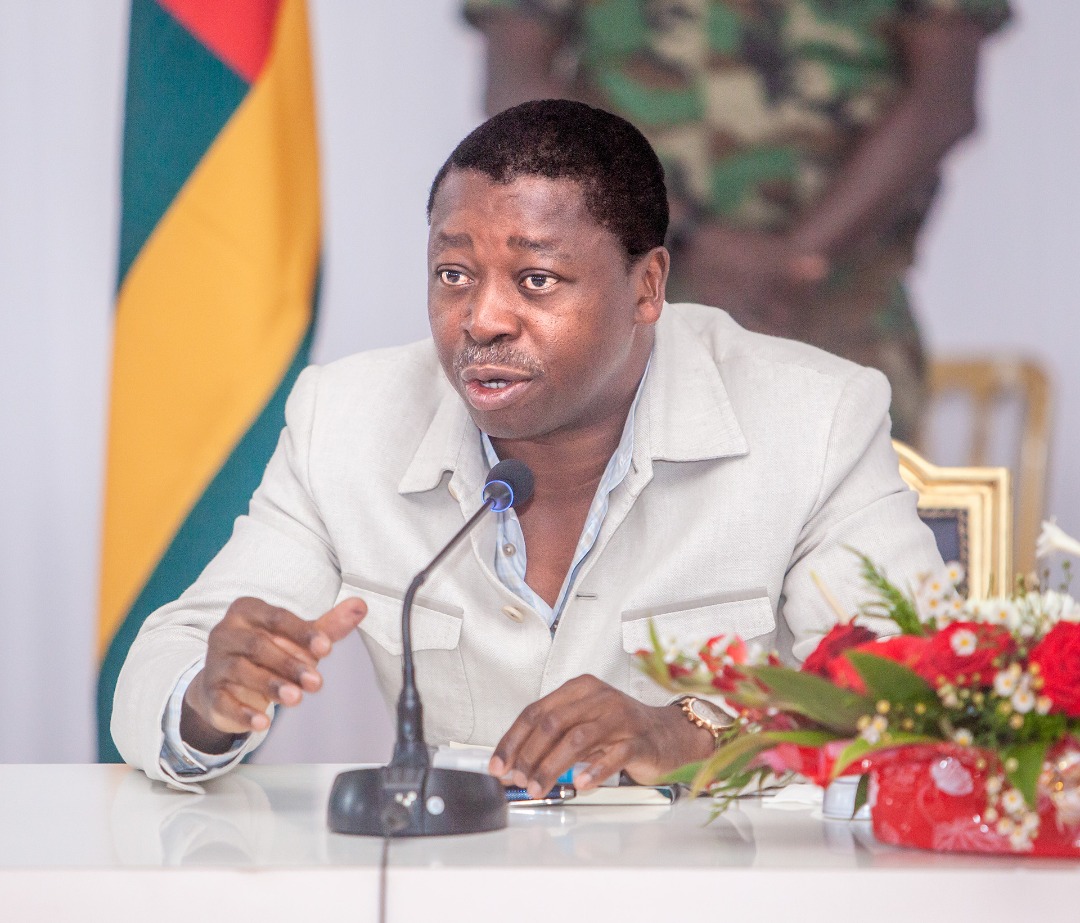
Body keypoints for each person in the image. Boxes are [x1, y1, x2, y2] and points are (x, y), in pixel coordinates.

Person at [113, 100, 943, 798]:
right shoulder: (346, 419)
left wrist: (689, 733)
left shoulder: (815, 418)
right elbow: (160, 668)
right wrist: (207, 700)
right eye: (453, 274)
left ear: (647, 287)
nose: (482, 319)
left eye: (536, 280)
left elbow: (921, 705)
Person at [463, 0, 1010, 444]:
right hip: (627, 310)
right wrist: (678, 232)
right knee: (624, 538)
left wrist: (800, 258)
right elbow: (517, 80)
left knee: (850, 536)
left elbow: (941, 99)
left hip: (838, 313)